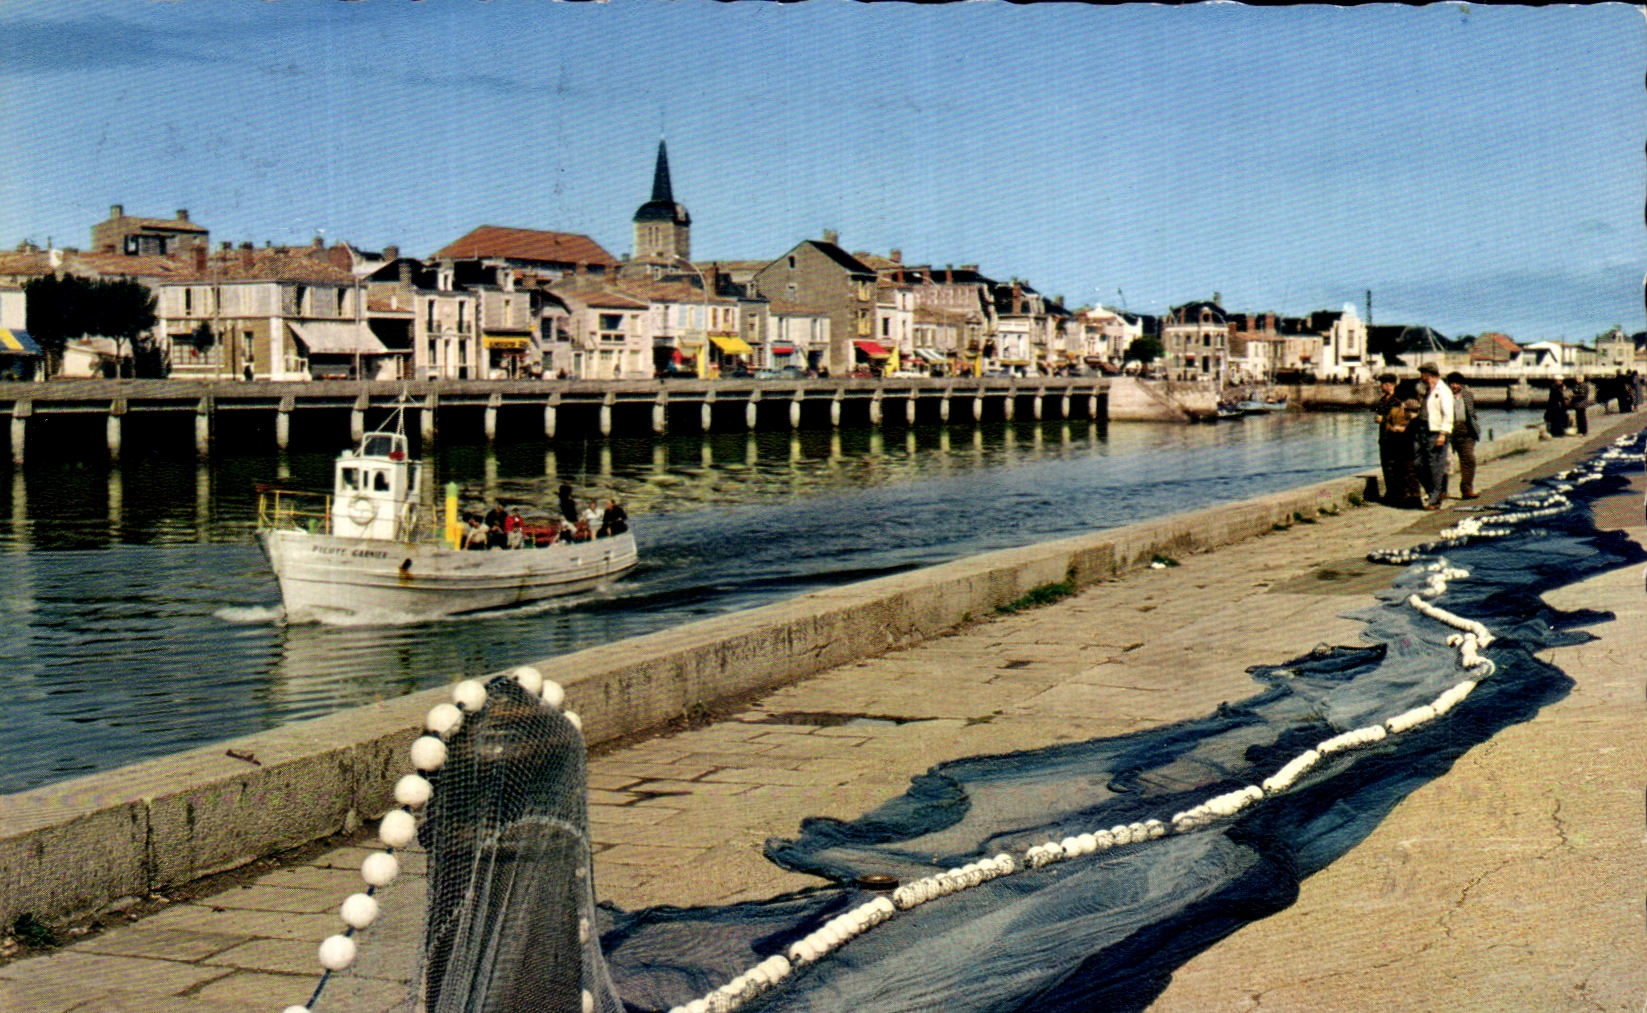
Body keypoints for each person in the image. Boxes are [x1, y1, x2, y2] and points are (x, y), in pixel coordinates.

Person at [1412, 363, 1454, 511]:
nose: (1420, 378)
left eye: (1422, 374)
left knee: (1434, 466)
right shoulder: (1427, 390)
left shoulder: (1443, 391)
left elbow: (1448, 414)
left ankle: (1435, 499)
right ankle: (1433, 492)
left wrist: (1443, 434)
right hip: (1422, 429)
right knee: (1418, 463)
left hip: (1436, 431)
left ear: (1429, 374)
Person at [1371, 372, 1406, 505]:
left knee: (1395, 466)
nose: (1381, 386)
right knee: (1386, 465)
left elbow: (1398, 418)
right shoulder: (1383, 400)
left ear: (1390, 385)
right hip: (1384, 437)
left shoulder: (1397, 400)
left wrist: (1383, 419)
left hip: (1395, 438)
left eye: (1383, 384)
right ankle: (1390, 492)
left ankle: (1397, 494)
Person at [1445, 372, 1481, 499]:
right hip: (1449, 431)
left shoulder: (1467, 394)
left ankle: (1466, 489)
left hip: (1466, 432)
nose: (1454, 386)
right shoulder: (1445, 395)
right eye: (1451, 383)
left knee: (1468, 460)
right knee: (1445, 462)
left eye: (1456, 383)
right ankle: (1442, 491)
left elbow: (1471, 413)